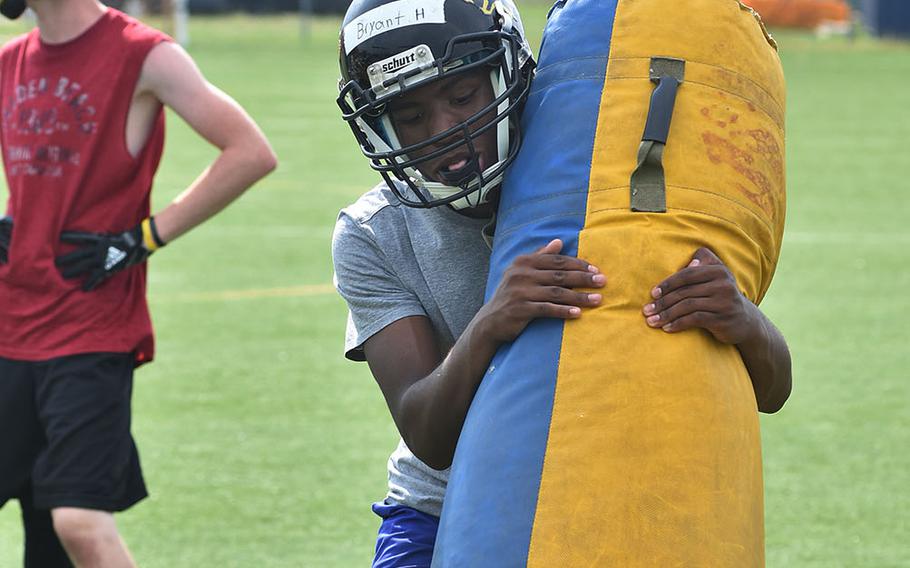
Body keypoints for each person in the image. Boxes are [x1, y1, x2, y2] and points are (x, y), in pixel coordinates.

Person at [331, 0, 791, 566]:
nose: (444, 131)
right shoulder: (373, 234)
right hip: (441, 510)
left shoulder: (600, 175)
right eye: (410, 116)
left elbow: (774, 390)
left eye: (461, 96)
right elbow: (426, 434)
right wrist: (491, 322)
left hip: (602, 483)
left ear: (508, 73)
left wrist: (741, 320)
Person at [0, 0, 277, 566]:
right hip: (7, 326)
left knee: (78, 521)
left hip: (90, 331)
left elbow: (250, 152)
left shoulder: (144, 56)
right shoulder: (11, 61)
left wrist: (144, 238)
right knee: (48, 539)